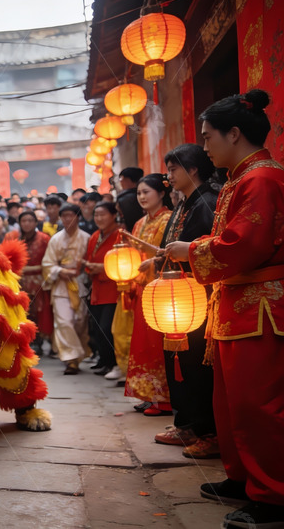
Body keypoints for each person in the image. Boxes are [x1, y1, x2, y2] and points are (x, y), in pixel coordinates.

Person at [165, 89, 284, 528]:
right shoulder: (240, 178)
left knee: (259, 404)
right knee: (232, 402)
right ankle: (244, 478)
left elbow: (245, 245)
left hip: (261, 308)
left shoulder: (262, 179)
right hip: (237, 306)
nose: (205, 144)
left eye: (208, 136)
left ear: (234, 133)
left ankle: (273, 497)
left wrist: (189, 250)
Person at [152, 144, 219, 459]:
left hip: (196, 296)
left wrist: (181, 253)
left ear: (193, 170)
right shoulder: (187, 203)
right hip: (179, 296)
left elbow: (207, 249)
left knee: (196, 365)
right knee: (181, 363)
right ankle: (188, 423)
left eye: (173, 169)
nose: (169, 177)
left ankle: (206, 430)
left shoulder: (205, 202)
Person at [124, 174, 174, 416]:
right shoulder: (139, 224)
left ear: (162, 193)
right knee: (143, 343)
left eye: (146, 192)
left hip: (161, 289)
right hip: (143, 288)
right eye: (139, 193)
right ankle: (147, 393)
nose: (142, 197)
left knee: (158, 343)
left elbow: (170, 253)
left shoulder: (169, 219)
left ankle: (164, 398)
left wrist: (154, 261)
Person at [42, 203, 91, 375]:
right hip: (61, 287)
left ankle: (76, 357)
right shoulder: (55, 239)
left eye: (72, 215)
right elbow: (47, 264)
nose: (68, 219)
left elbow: (90, 261)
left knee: (79, 322)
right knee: (64, 322)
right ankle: (70, 359)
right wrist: (60, 271)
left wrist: (81, 269)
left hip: (80, 284)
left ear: (78, 217)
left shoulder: (86, 238)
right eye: (65, 216)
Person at [83, 201, 121, 378]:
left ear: (114, 215)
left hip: (113, 289)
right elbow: (89, 258)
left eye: (103, 214)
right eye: (96, 214)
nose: (99, 218)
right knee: (98, 327)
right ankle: (105, 360)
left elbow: (123, 263)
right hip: (97, 288)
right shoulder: (95, 236)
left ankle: (114, 362)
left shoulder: (121, 235)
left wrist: (101, 268)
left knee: (108, 327)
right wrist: (90, 266)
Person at [11, 211, 52, 352]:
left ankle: (39, 341)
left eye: (30, 220)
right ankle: (25, 341)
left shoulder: (44, 239)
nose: (27, 223)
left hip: (39, 280)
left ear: (35, 223)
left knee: (39, 311)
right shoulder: (14, 238)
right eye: (24, 221)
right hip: (19, 282)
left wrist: (27, 269)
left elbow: (50, 261)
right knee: (23, 312)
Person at [116, 167, 145, 232]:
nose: (121, 182)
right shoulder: (140, 194)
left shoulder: (126, 198)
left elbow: (130, 220)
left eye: (121, 179)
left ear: (128, 179)